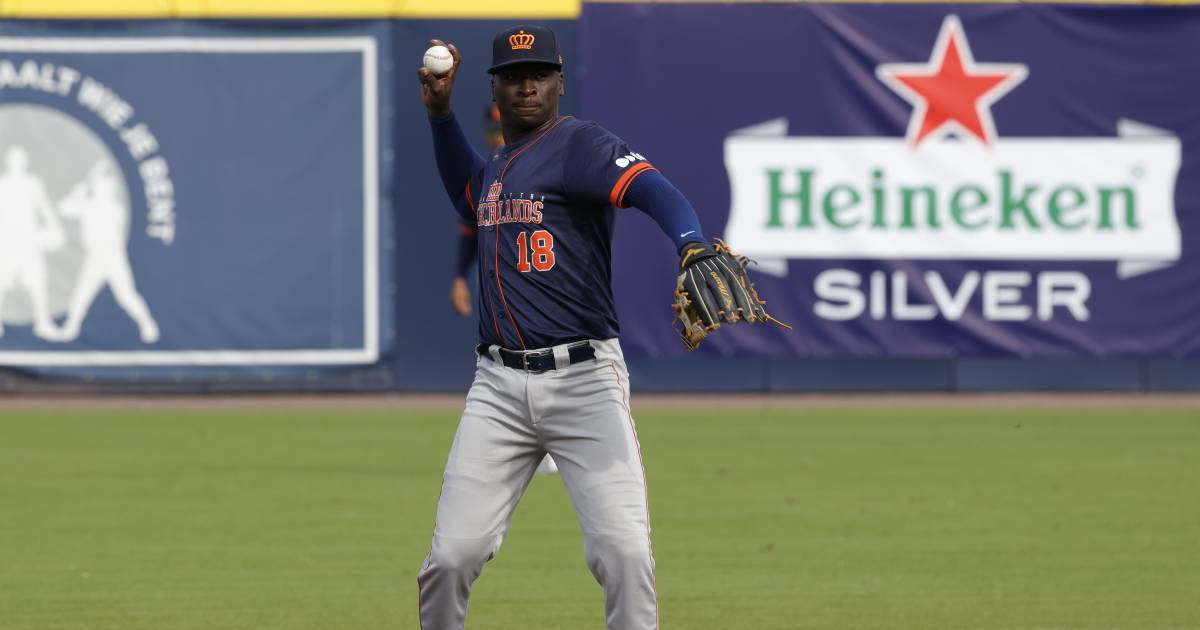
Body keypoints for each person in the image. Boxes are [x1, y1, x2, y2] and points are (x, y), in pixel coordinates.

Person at [416, 25, 710, 630]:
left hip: (585, 385)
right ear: (496, 89)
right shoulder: (497, 165)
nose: (526, 86)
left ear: (558, 82)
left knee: (625, 555)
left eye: (538, 75)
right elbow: (468, 195)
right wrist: (441, 117)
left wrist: (691, 244)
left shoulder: (581, 145)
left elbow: (657, 190)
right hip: (497, 388)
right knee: (450, 558)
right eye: (513, 77)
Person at [449, 103, 559, 476]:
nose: (498, 134)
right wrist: (459, 277)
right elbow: (468, 228)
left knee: (549, 356)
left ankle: (553, 442)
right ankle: (522, 443)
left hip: (544, 282)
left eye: (502, 126)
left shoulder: (547, 169)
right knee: (504, 357)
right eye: (493, 128)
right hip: (501, 285)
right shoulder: (489, 175)